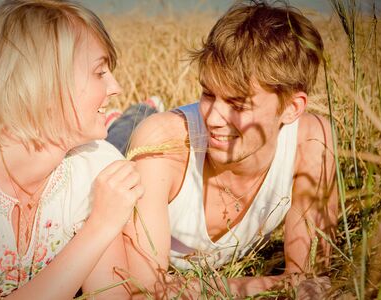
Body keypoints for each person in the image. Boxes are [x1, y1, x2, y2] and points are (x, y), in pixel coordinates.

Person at [121, 0, 338, 297]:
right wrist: (273, 284)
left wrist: (194, 288)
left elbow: (311, 279)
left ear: (291, 108)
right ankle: (136, 112)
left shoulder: (312, 141)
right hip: (130, 143)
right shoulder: (160, 143)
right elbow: (142, 291)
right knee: (125, 130)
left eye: (238, 103)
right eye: (208, 93)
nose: (213, 118)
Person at [0, 0, 143, 298]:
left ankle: (139, 114)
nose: (116, 86)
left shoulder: (95, 165)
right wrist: (101, 225)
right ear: (43, 82)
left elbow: (110, 294)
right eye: (99, 72)